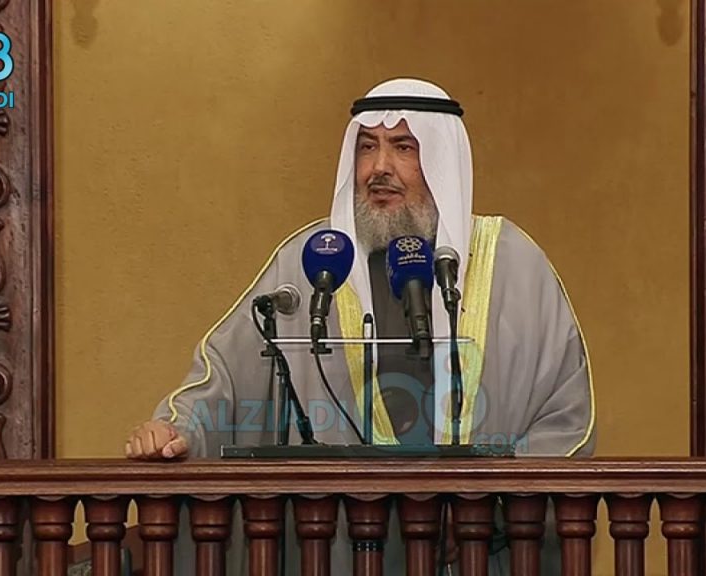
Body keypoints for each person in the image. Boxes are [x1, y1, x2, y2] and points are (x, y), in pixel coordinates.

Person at [125, 78, 594, 574]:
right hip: (342, 551)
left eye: (403, 147)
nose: (378, 168)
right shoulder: (315, 263)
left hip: (482, 552)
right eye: (367, 147)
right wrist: (176, 430)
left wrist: (487, 513)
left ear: (443, 161)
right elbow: (225, 374)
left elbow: (567, 417)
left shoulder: (514, 265)